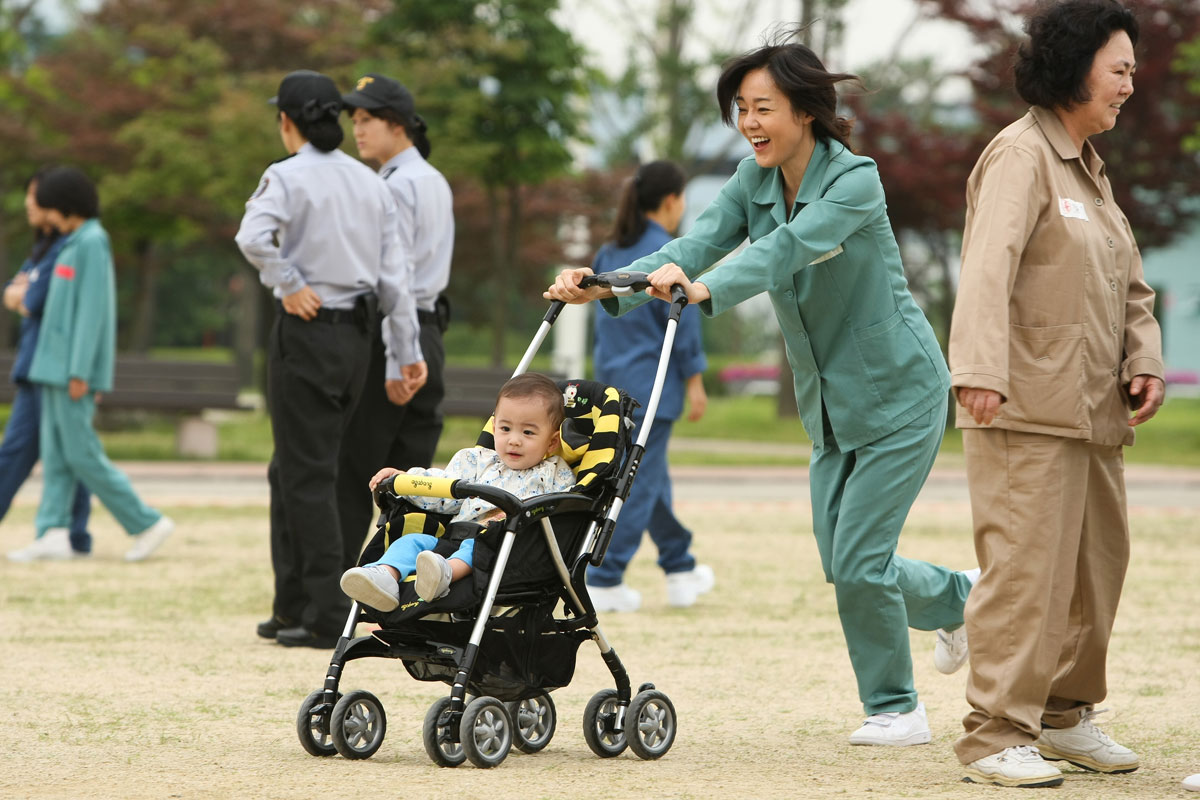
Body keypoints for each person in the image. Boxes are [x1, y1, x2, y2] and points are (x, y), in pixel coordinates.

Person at [546, 37, 975, 746]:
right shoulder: (753, 182)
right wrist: (606, 285)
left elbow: (788, 250)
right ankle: (960, 598)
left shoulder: (854, 180)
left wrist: (708, 289)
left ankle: (897, 708)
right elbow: (689, 247)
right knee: (844, 563)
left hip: (901, 393)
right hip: (831, 404)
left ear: (805, 110)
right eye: (741, 108)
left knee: (862, 561)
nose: (749, 122)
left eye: (763, 108)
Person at [948, 1, 1163, 788]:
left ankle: (1066, 717)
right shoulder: (1020, 157)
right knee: (1025, 578)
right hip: (1023, 408)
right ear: (1076, 69)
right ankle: (996, 733)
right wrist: (977, 369)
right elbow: (987, 270)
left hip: (1094, 416)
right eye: (1120, 70)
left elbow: (1132, 289)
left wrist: (1145, 358)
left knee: (1095, 576)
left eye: (1133, 71)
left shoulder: (1092, 173)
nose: (1130, 86)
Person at [235, 70, 425, 649]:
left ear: (286, 121)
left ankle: (323, 611)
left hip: (308, 331)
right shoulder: (371, 183)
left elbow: (252, 237)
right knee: (294, 467)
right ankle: (289, 601)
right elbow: (397, 275)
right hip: (359, 342)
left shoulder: (285, 176)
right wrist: (407, 351)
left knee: (307, 472)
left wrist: (287, 280)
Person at [18, 166, 174, 561]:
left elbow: (92, 313)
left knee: (82, 453)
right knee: (56, 454)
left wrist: (80, 372)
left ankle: (146, 522)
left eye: (50, 205)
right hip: (50, 368)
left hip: (71, 372)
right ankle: (52, 531)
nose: (46, 214)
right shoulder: (72, 242)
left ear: (65, 204)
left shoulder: (92, 242)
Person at [336, 73, 455, 572]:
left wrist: (398, 355)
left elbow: (396, 279)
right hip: (426, 331)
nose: (357, 130)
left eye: (367, 120)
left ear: (398, 125)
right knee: (412, 480)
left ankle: (339, 589)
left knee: (356, 474)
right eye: (354, 120)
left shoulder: (396, 186)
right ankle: (401, 584)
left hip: (395, 336)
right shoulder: (430, 178)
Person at [587, 160, 713, 613]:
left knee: (645, 476)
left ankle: (680, 567)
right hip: (654, 386)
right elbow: (683, 328)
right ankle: (605, 577)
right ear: (672, 201)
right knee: (638, 483)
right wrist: (696, 382)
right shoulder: (670, 251)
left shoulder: (608, 250)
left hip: (612, 386)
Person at [340, 373, 575, 610]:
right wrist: (405, 479)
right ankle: (384, 577)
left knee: (474, 547)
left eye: (528, 433)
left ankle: (444, 576)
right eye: (505, 428)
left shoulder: (554, 473)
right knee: (412, 540)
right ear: (494, 428)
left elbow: (565, 510)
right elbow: (441, 487)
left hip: (501, 546)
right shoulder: (477, 461)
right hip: (452, 536)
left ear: (552, 442)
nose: (514, 440)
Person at [4, 170, 93, 561]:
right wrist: (20, 294)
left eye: (35, 199)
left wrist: (22, 295)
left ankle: (76, 534)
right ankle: (75, 536)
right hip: (36, 364)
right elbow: (14, 292)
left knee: (45, 450)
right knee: (65, 451)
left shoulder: (73, 247)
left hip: (50, 366)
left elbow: (32, 299)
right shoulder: (46, 248)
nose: (29, 206)